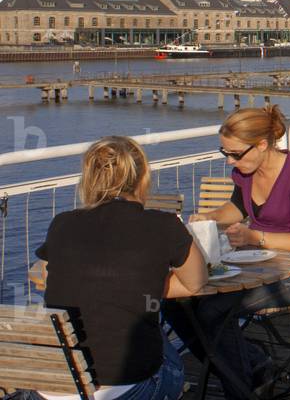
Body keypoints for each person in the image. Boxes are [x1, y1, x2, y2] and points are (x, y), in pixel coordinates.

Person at [161, 105, 290, 399]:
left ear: (262, 144)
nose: (230, 162)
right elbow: (236, 209)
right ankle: (251, 365)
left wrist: (254, 236)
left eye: (236, 154)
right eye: (225, 154)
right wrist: (208, 216)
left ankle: (239, 387)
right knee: (175, 302)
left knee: (212, 310)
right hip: (255, 267)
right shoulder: (245, 173)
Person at [28, 136, 208, 400]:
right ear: (144, 176)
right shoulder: (163, 224)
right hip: (124, 391)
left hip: (52, 389)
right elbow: (196, 282)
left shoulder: (62, 223)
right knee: (162, 346)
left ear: (88, 178)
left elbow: (41, 271)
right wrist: (140, 282)